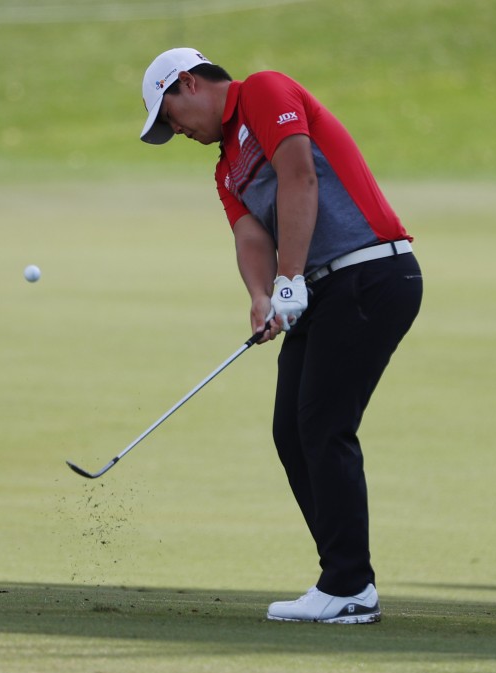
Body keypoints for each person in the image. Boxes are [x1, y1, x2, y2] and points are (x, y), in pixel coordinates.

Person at [139, 48, 423, 624]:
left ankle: (347, 585)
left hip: (370, 271)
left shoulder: (264, 91)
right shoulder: (225, 169)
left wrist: (291, 279)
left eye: (171, 117)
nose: (178, 132)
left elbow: (299, 177)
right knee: (292, 431)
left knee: (322, 424)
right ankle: (347, 581)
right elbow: (249, 238)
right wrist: (264, 296)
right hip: (320, 289)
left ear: (188, 84)